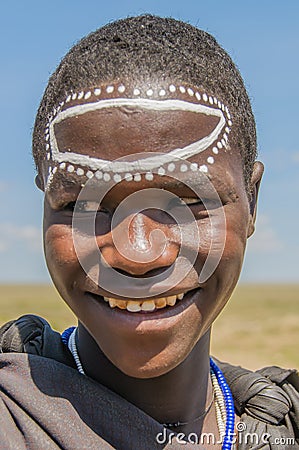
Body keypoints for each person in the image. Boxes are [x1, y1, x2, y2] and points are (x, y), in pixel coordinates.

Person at [0, 15, 298, 450]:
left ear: (252, 202)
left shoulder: (278, 423)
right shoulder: (15, 417)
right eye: (81, 205)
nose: (138, 253)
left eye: (188, 201)